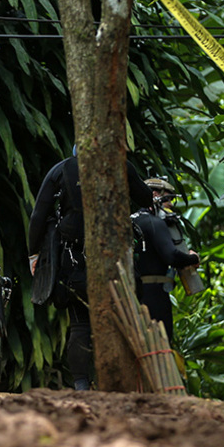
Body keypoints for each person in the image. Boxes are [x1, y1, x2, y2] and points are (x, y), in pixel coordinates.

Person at [26, 153, 152, 390]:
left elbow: (39, 214)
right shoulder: (120, 164)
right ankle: (120, 385)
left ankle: (82, 385)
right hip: (115, 265)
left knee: (80, 324)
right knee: (120, 321)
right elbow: (145, 198)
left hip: (75, 262)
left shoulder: (61, 170)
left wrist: (35, 254)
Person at [132, 179, 199, 341]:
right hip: (154, 295)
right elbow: (172, 256)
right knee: (160, 343)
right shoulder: (154, 223)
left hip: (132, 294)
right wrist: (192, 258)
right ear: (155, 195)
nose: (170, 205)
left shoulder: (131, 220)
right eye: (168, 199)